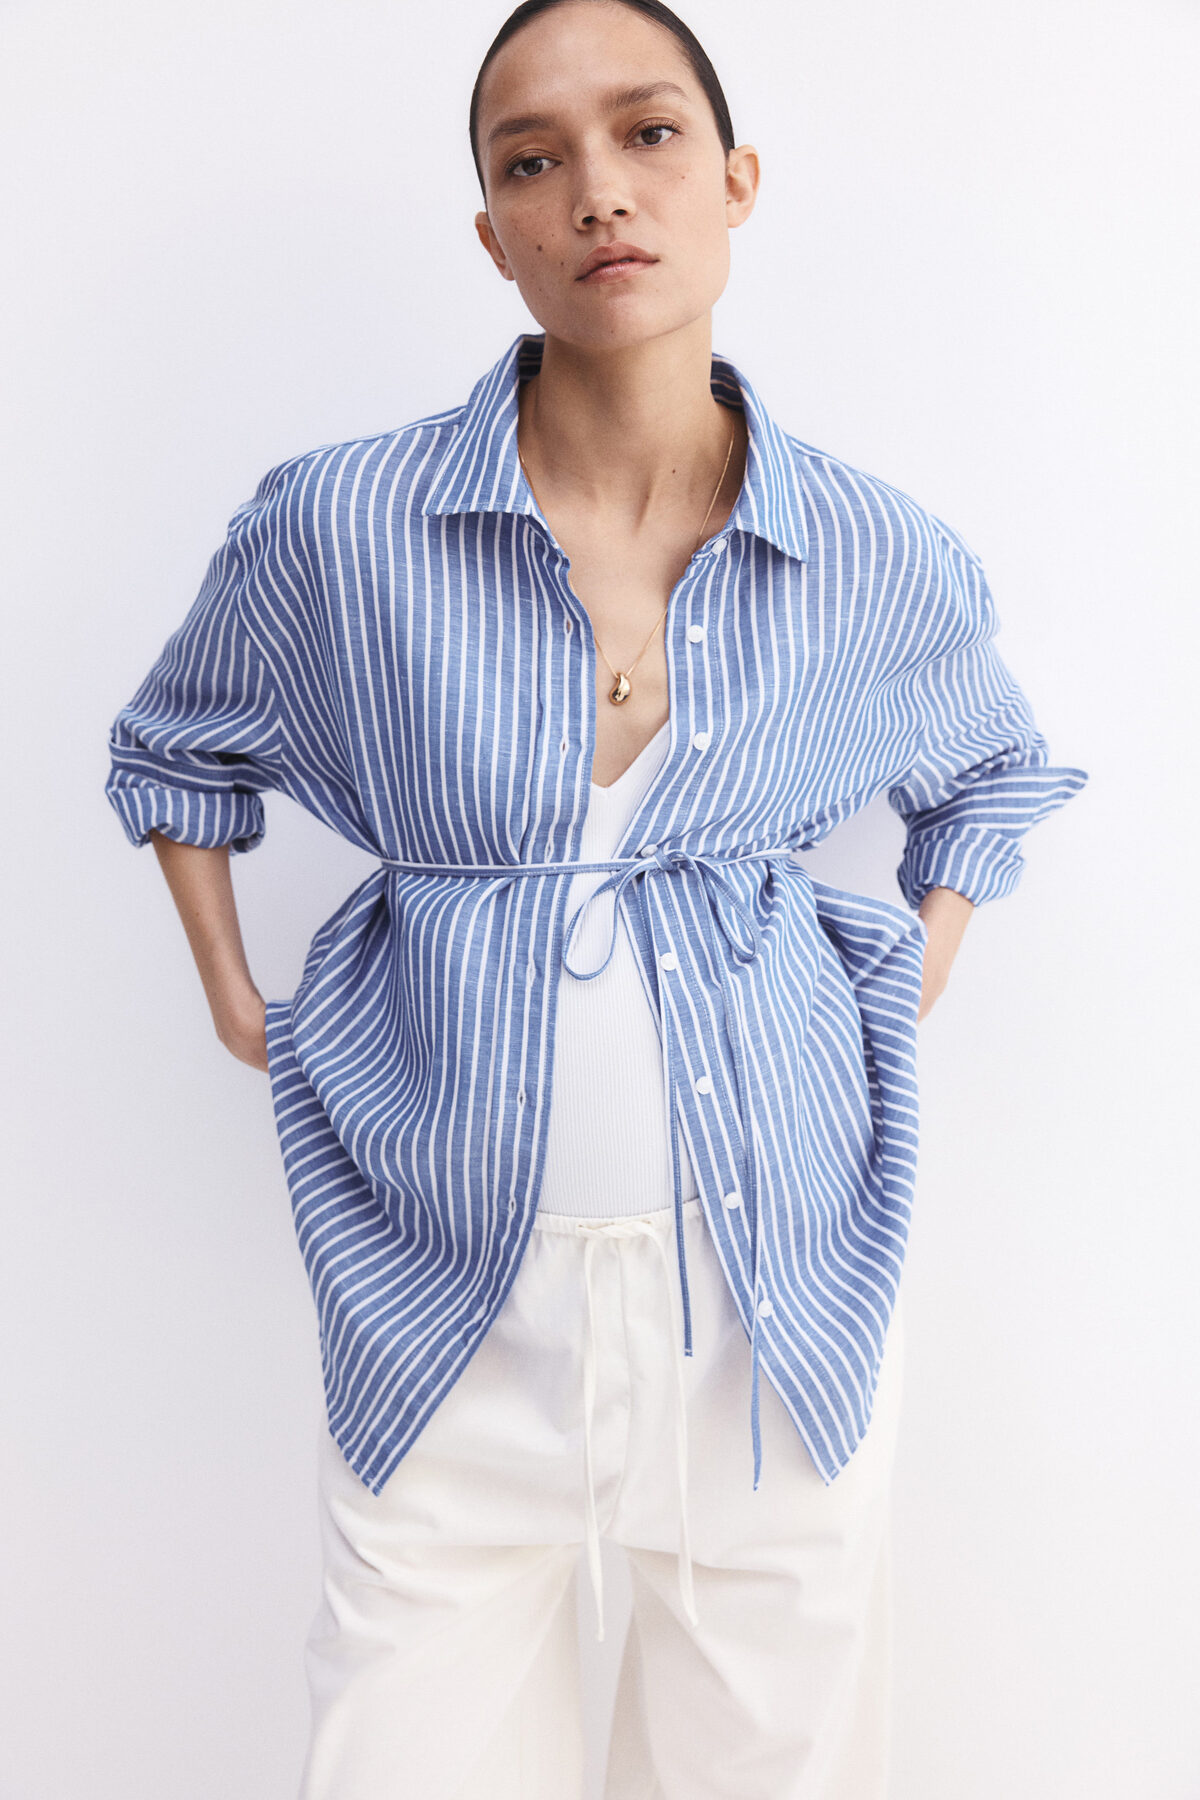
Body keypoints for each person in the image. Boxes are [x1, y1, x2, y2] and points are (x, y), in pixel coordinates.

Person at [103, 1, 1089, 1794]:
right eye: (531, 160)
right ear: (494, 234)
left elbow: (992, 776)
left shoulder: (873, 551)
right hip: (440, 1308)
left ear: (736, 179)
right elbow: (178, 748)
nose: (597, 194)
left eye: (646, 135)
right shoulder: (344, 526)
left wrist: (902, 972)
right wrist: (238, 1003)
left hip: (777, 1306)